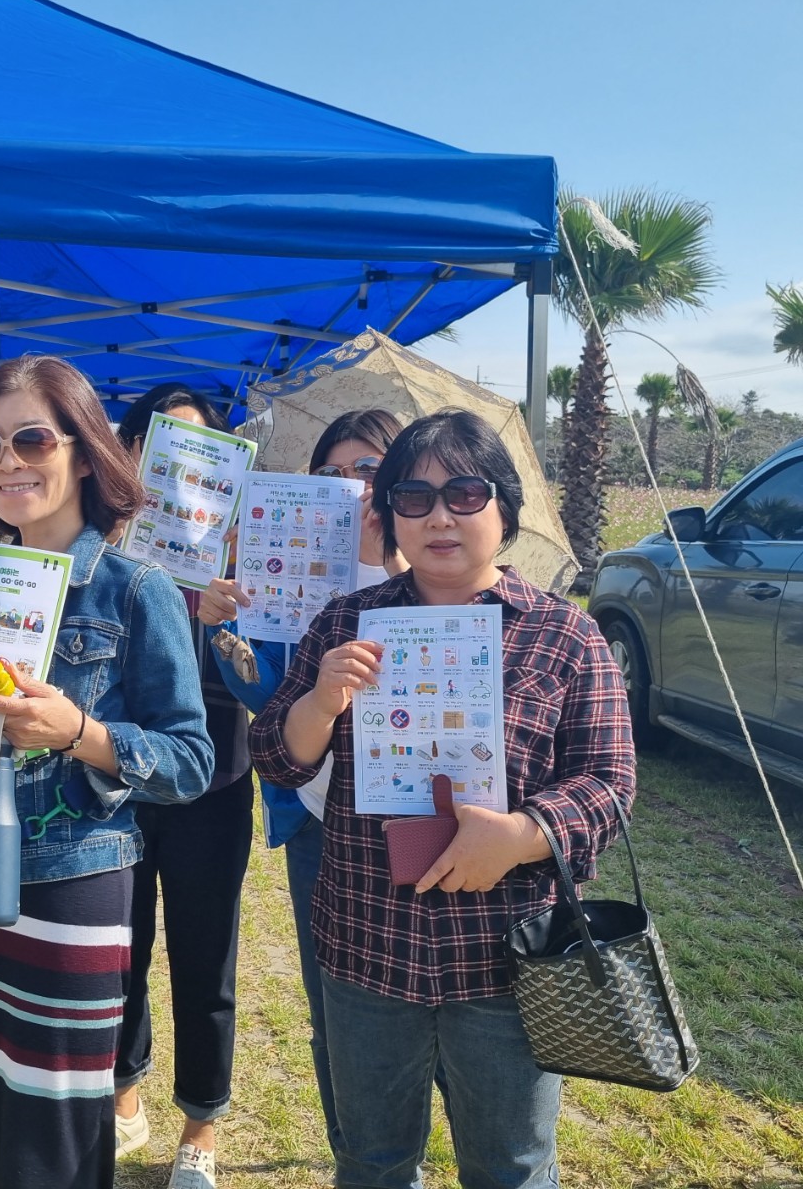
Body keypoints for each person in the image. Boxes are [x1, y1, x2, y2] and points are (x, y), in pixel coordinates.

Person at [248, 409, 636, 1189]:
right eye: (412, 498)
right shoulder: (347, 621)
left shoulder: (566, 636)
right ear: (389, 514)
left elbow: (609, 782)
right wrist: (320, 703)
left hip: (508, 960)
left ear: (505, 508)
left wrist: (525, 833)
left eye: (465, 492)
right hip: (367, 945)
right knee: (372, 1160)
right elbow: (274, 757)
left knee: (511, 1166)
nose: (439, 517)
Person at [0, 356, 213, 1189]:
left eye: (32, 438)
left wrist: (80, 731)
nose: (7, 462)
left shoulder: (138, 590)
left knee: (55, 1127)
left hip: (73, 881)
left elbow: (190, 760)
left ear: (83, 451)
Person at [196, 408, 403, 1155]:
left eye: (369, 470)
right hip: (322, 817)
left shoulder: (443, 572)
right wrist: (227, 628)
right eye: (332, 473)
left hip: (426, 820)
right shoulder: (289, 566)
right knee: (336, 1004)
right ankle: (357, 1149)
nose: (350, 487)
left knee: (442, 1003)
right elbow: (262, 700)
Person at [112, 383, 253, 1189]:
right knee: (120, 946)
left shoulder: (244, 551)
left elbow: (271, 675)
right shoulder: (106, 546)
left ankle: (201, 1125)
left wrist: (231, 620)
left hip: (217, 779)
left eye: (197, 450)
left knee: (206, 956)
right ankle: (124, 1096)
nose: (173, 468)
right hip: (121, 775)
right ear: (129, 456)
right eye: (154, 444)